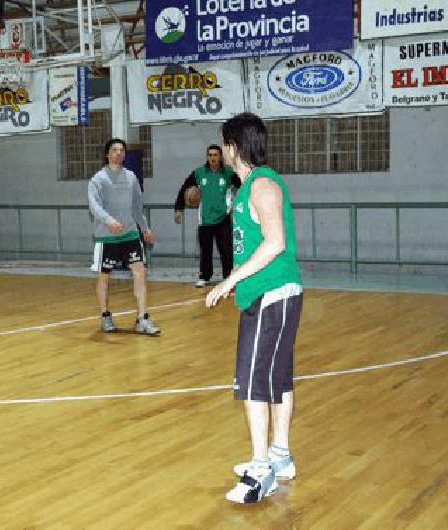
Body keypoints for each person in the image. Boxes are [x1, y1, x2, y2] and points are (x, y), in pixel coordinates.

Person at [206, 113, 303, 504]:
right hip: (273, 294)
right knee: (278, 380)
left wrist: (229, 280)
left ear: (234, 146)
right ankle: (280, 455)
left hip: (271, 294)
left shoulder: (262, 184)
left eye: (225, 143)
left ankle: (261, 469)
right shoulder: (248, 186)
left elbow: (275, 242)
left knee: (252, 383)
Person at [88, 138, 160, 335]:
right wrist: (109, 220)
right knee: (104, 277)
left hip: (130, 234)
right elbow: (94, 206)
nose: (118, 153)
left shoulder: (131, 177)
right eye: (114, 150)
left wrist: (145, 228)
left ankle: (142, 318)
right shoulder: (98, 179)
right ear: (107, 154)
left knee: (140, 272)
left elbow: (137, 206)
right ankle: (105, 316)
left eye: (121, 150)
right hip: (107, 237)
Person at [174, 145, 241, 287]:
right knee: (205, 250)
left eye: (215, 155)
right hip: (205, 219)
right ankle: (204, 276)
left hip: (224, 218)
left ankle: (228, 277)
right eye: (210, 155)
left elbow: (243, 186)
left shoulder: (229, 173)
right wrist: (179, 208)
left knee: (226, 251)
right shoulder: (199, 173)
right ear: (207, 157)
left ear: (220, 157)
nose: (213, 158)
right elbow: (184, 188)